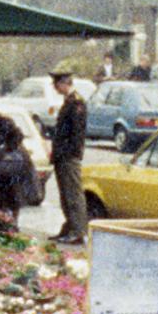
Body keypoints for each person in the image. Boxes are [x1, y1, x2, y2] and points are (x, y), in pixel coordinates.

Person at [48, 69, 88, 245]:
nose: (55, 88)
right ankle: (70, 227)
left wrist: (70, 154)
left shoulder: (76, 103)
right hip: (62, 155)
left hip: (69, 156)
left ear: (65, 83)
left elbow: (77, 133)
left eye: (57, 85)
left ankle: (79, 231)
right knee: (65, 194)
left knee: (73, 194)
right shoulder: (68, 102)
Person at [0, 126, 40, 228]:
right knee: (8, 204)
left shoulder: (18, 152)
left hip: (13, 183)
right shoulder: (4, 152)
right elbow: (30, 171)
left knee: (10, 204)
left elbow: (29, 170)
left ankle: (11, 223)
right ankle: (9, 223)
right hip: (9, 183)